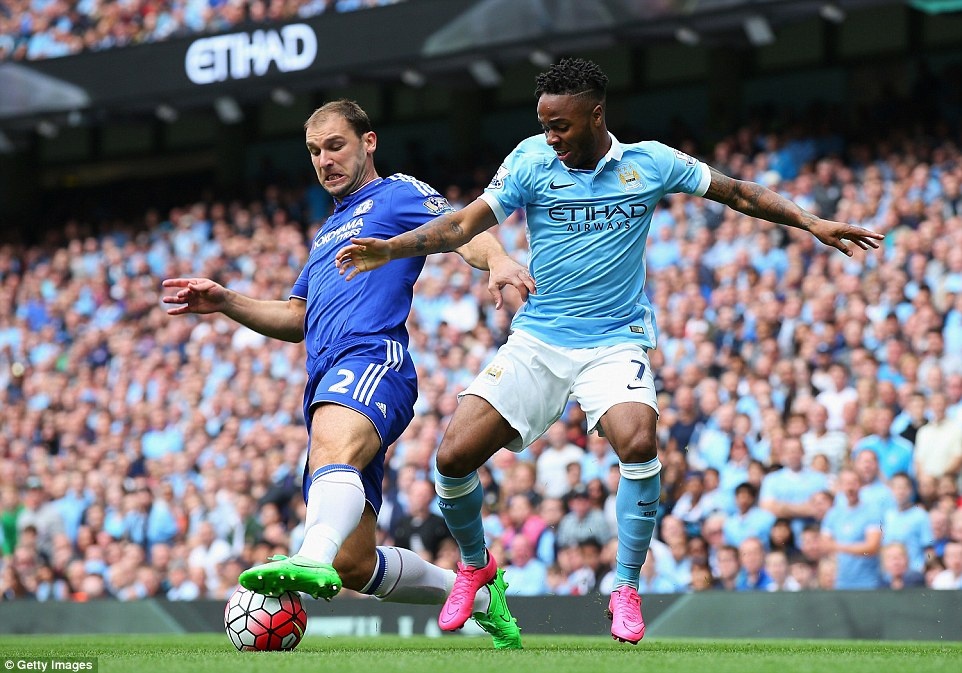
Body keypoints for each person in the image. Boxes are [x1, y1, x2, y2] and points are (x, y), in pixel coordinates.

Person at [334, 58, 881, 644]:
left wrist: (811, 221)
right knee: (451, 459)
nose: (551, 136)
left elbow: (738, 193)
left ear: (596, 114)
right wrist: (391, 249)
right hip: (540, 338)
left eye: (560, 125)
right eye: (544, 124)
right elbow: (461, 225)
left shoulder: (650, 163)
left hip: (616, 341)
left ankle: (624, 587)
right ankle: (475, 568)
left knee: (639, 441)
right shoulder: (529, 160)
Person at [162, 100, 528, 649]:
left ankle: (309, 557)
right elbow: (297, 318)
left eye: (335, 145)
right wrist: (226, 301)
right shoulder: (327, 232)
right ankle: (479, 598)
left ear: (368, 142)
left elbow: (461, 228)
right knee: (354, 564)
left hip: (373, 359)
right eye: (314, 151)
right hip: (327, 379)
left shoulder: (396, 193)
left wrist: (497, 259)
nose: (324, 160)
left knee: (331, 461)